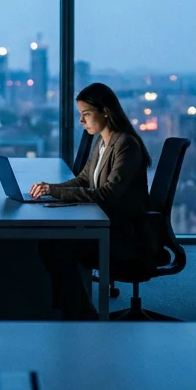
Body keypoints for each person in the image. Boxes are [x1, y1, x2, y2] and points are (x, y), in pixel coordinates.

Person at [32, 82, 160, 320]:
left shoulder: (126, 145)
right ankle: (75, 312)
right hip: (106, 223)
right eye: (81, 115)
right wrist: (50, 189)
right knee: (51, 244)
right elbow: (83, 180)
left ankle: (81, 315)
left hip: (125, 233)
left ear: (106, 112)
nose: (82, 121)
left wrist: (55, 192)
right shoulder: (102, 142)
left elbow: (108, 194)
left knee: (54, 247)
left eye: (86, 114)